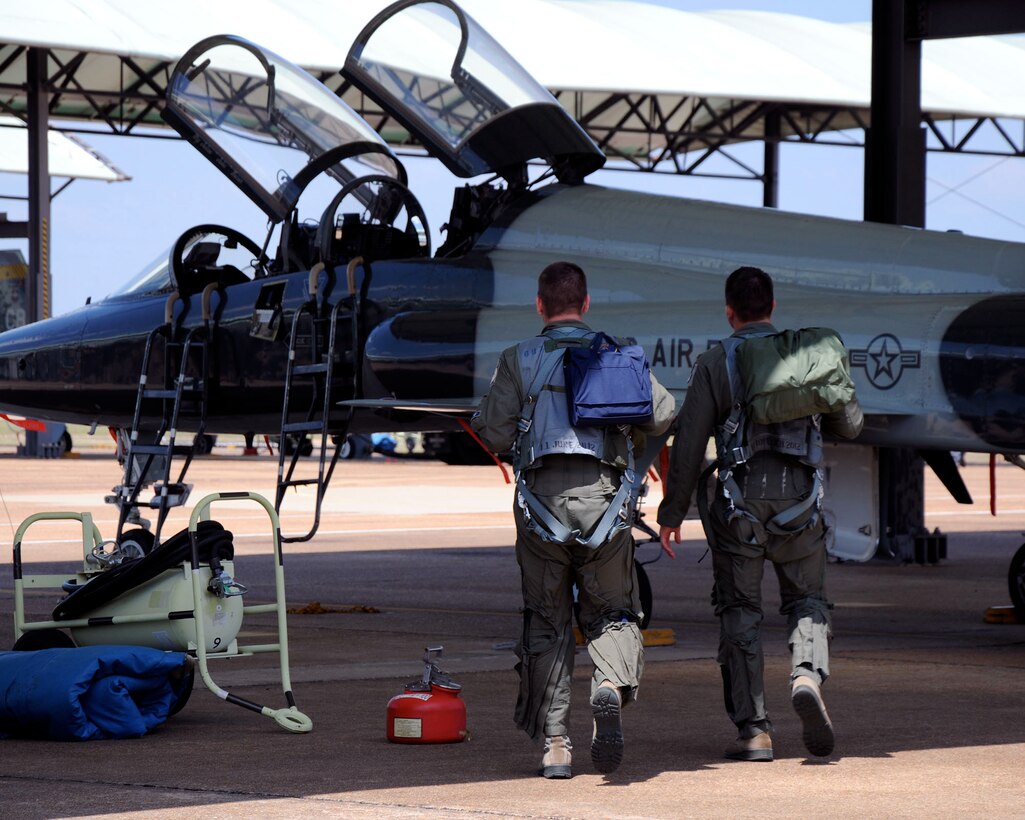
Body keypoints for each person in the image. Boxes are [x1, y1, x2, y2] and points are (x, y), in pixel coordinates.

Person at [472, 260, 675, 778]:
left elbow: (494, 433)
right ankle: (607, 685)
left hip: (540, 508)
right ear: (585, 304)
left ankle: (556, 746)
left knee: (546, 620)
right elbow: (663, 412)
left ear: (540, 306)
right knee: (613, 612)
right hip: (606, 505)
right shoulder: (617, 352)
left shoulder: (518, 359)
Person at [657, 266, 863, 762]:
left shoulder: (715, 362)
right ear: (773, 308)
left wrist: (672, 513)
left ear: (729, 312)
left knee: (740, 612)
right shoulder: (809, 356)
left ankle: (755, 731)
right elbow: (851, 425)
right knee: (807, 600)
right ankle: (807, 675)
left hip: (739, 507)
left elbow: (688, 445)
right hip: (801, 505)